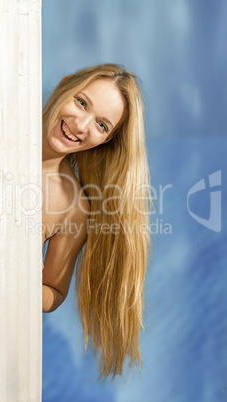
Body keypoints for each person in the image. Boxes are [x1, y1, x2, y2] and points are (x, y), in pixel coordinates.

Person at [42, 63, 152, 379]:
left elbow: (53, 291)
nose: (81, 125)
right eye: (81, 102)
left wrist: (19, 282)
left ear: (106, 141)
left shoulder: (73, 207)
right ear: (64, 85)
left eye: (102, 126)